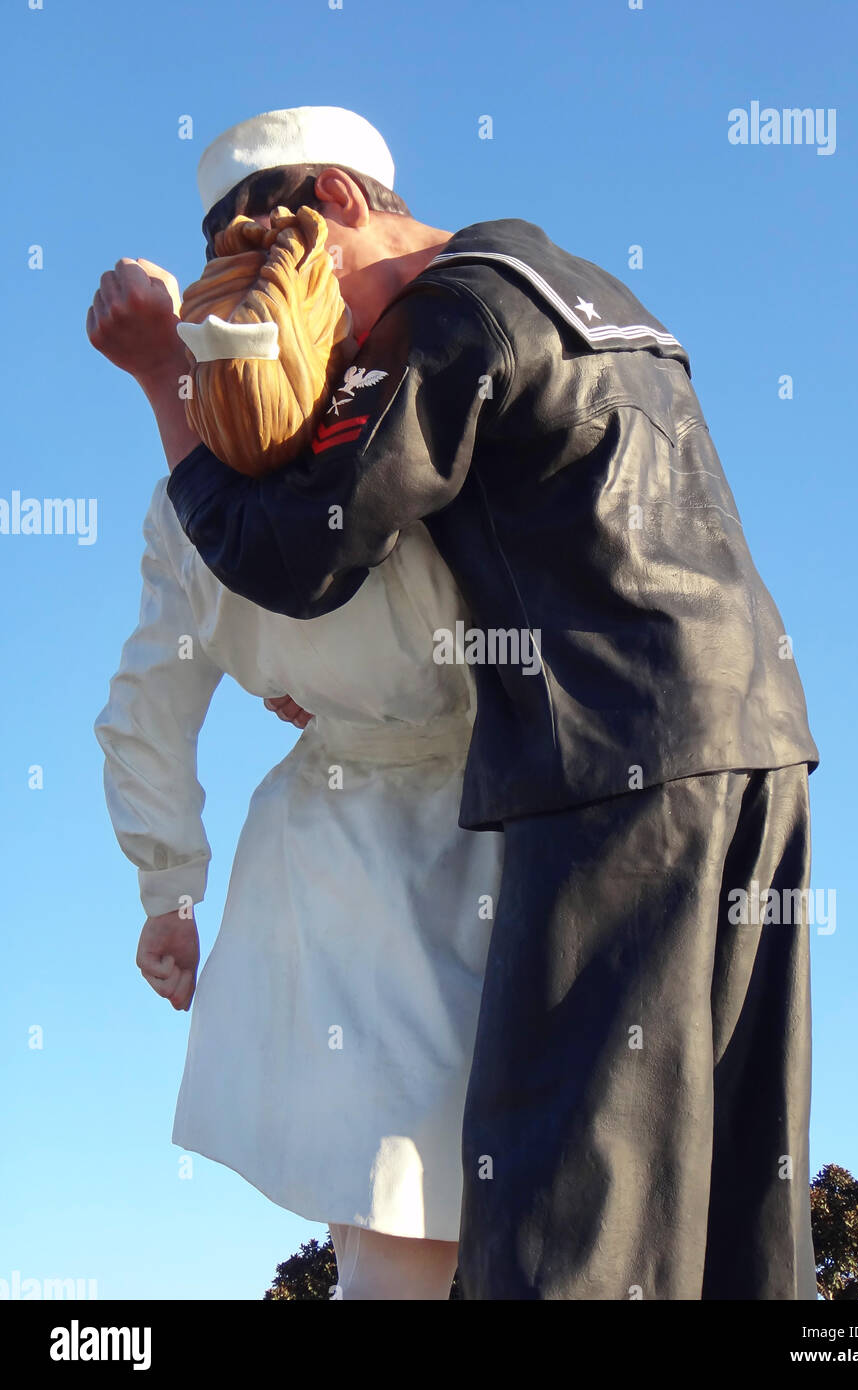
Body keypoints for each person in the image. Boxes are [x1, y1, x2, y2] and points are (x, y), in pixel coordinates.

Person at [119, 105, 822, 1300]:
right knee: (735, 1196)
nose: (318, 338)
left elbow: (303, 550)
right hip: (758, 747)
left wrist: (171, 398)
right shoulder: (581, 285)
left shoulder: (446, 320)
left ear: (340, 204)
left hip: (607, 770)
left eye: (305, 290)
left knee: (568, 1204)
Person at [88, 138, 505, 1301]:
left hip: (403, 850)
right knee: (429, 1210)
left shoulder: (204, 488)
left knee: (409, 1224)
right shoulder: (425, 402)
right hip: (457, 840)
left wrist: (168, 891)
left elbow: (148, 705)